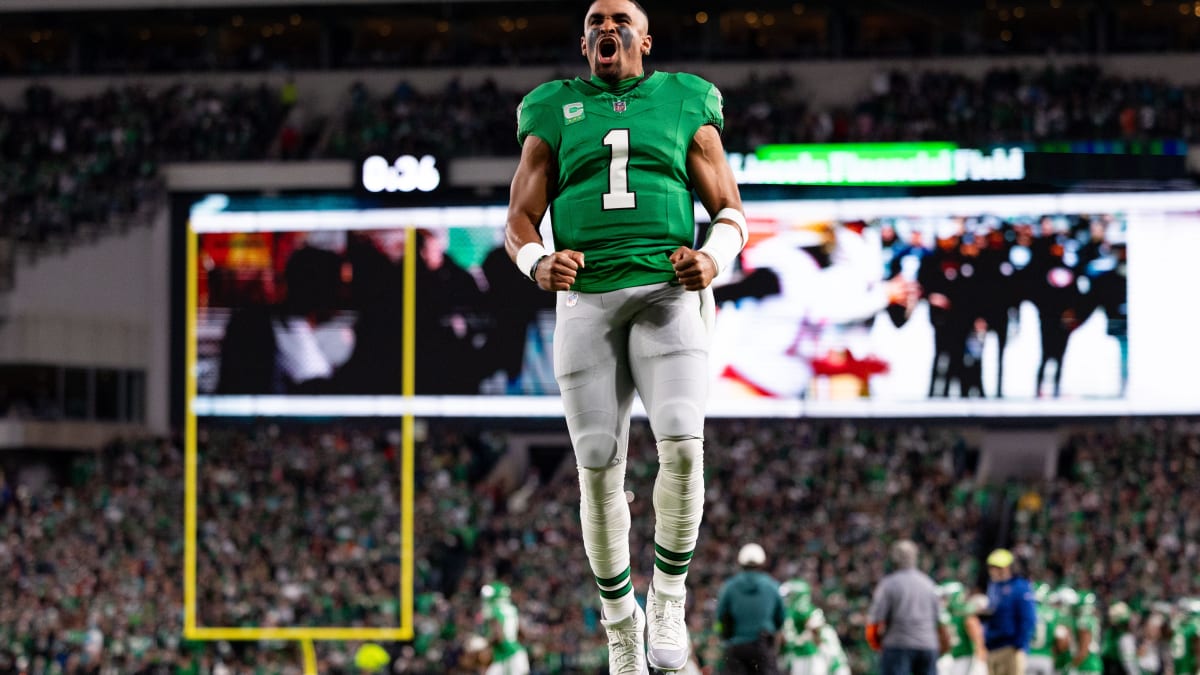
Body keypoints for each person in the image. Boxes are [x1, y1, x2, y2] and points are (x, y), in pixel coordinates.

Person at [503, 0, 746, 672]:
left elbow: (729, 208)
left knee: (685, 447)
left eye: (619, 18)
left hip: (670, 291)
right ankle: (619, 620)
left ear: (644, 36)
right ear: (585, 43)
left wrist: (714, 257)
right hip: (586, 298)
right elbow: (518, 217)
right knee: (599, 464)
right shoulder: (552, 107)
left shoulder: (684, 98)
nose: (606, 26)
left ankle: (668, 594)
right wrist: (536, 261)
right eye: (595, 20)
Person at [867, 540, 949, 675]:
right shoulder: (928, 584)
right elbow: (940, 621)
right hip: (928, 646)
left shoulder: (889, 584)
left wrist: (876, 644)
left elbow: (874, 621)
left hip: (898, 646)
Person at [715, 543, 785, 675]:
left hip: (736, 647)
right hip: (763, 646)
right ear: (762, 563)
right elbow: (780, 618)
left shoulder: (729, 587)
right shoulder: (772, 586)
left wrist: (724, 637)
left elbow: (720, 617)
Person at [983, 549, 1036, 675]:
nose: (994, 571)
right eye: (992, 567)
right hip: (992, 646)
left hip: (1010, 647)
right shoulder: (993, 587)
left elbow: (1028, 618)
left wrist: (1019, 644)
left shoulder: (1020, 587)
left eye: (998, 567)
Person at [477, 582, 530, 675]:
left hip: (507, 655)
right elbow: (522, 633)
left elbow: (499, 635)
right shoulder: (512, 609)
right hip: (516, 652)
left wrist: (484, 643)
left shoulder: (495, 610)